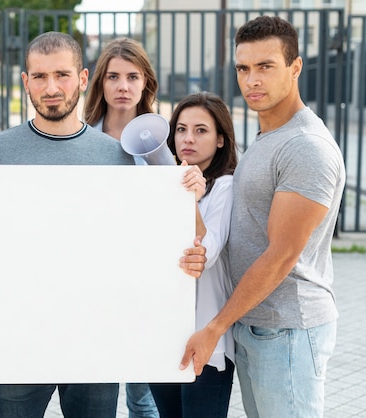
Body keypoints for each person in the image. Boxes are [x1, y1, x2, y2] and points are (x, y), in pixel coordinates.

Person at [0, 31, 208, 418]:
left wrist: (186, 215)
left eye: (62, 75)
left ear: (82, 78)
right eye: (40, 77)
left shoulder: (117, 157)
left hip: (96, 342)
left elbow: (152, 244)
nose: (52, 87)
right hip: (16, 344)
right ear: (25, 82)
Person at [179, 16, 346, 418]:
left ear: (295, 67)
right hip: (255, 324)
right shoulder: (268, 138)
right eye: (243, 68)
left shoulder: (305, 146)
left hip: (287, 328)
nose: (252, 79)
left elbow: (281, 255)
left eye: (266, 66)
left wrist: (216, 327)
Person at [83, 37, 161, 418]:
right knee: (93, 390)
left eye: (132, 76)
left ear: (146, 81)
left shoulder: (162, 139)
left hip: (143, 279)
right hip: (92, 278)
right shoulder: (79, 137)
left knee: (143, 398)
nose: (123, 86)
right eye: (113, 77)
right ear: (100, 83)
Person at [149, 92, 238, 418]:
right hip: (162, 338)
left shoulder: (227, 187)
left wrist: (191, 198)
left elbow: (205, 253)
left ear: (219, 140)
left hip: (205, 342)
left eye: (201, 130)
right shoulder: (161, 184)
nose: (188, 138)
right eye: (181, 129)